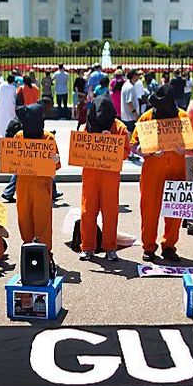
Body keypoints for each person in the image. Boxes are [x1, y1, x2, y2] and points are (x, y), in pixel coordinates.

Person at [132, 85, 193, 262]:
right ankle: (149, 247)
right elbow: (134, 145)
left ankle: (169, 246)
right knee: (149, 210)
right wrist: (145, 152)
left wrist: (185, 151)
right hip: (152, 172)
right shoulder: (146, 118)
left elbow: (191, 144)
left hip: (176, 170)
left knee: (175, 211)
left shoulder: (183, 117)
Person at [79, 95, 129, 261]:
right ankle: (87, 247)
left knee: (110, 213)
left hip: (110, 176)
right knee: (88, 212)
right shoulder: (86, 127)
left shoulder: (119, 127)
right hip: (91, 175)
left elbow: (126, 152)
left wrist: (112, 141)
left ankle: (110, 247)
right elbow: (78, 150)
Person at [13, 99, 60, 263]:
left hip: (35, 186)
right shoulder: (23, 137)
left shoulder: (46, 138)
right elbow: (12, 160)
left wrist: (55, 159)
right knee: (29, 218)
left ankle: (42, 251)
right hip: (29, 186)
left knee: (37, 219)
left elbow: (56, 166)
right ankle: (33, 249)